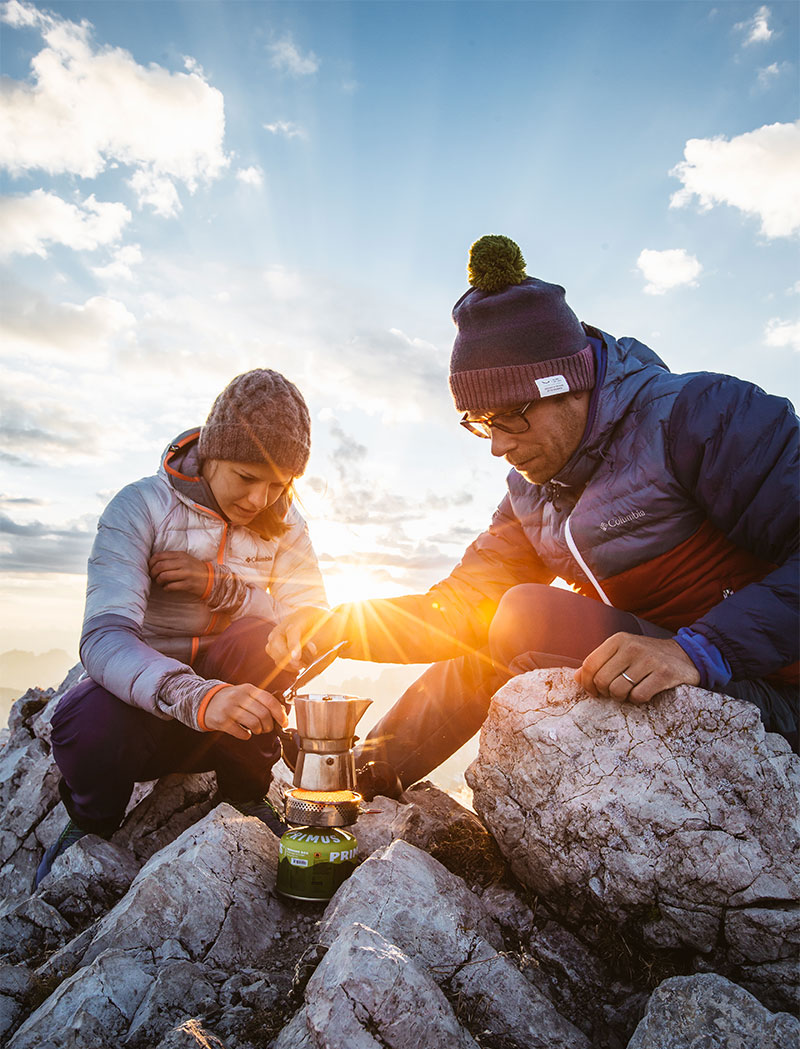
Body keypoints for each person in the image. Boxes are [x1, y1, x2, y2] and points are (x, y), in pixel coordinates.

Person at [266, 234, 799, 792]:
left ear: (567, 384)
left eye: (509, 416)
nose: (497, 444)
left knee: (527, 616)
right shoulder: (532, 489)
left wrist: (696, 651)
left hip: (769, 689)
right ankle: (353, 786)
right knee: (499, 622)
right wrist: (341, 627)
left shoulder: (701, 418)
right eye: (480, 422)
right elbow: (461, 609)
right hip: (668, 677)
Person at [36, 368, 327, 885]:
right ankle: (92, 821)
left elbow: (307, 608)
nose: (260, 500)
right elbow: (104, 639)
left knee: (263, 646)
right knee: (83, 720)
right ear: (211, 451)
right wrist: (197, 696)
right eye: (246, 476)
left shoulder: (286, 525)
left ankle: (245, 793)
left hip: (229, 729)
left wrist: (235, 593)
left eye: (278, 485)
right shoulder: (142, 506)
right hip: (142, 716)